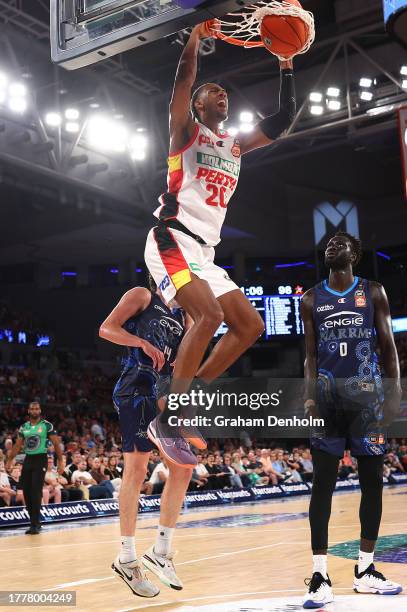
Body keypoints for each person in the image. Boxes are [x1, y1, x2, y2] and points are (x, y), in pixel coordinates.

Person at [144, 20, 296, 464]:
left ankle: (188, 399)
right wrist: (193, 38)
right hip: (170, 237)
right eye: (212, 91)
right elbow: (184, 77)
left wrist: (285, 63)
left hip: (204, 253)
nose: (221, 94)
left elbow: (283, 120)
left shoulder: (233, 146)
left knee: (250, 327)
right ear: (196, 105)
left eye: (224, 92)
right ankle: (167, 416)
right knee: (208, 315)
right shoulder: (184, 133)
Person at [300, 231, 403, 608]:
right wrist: (309, 395)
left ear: (354, 254)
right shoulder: (310, 299)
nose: (332, 246)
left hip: (367, 399)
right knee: (322, 485)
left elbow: (388, 346)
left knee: (372, 483)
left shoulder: (373, 291)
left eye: (340, 243)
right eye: (328, 244)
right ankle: (319, 574)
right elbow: (310, 355)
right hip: (328, 400)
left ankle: (365, 569)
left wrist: (394, 393)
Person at [99, 279, 193, 598]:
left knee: (183, 467)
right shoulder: (142, 295)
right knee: (137, 472)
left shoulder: (183, 315)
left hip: (162, 395)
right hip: (136, 389)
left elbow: (184, 360)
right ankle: (127, 558)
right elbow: (107, 329)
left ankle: (160, 552)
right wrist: (140, 342)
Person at [6, 401, 63, 534]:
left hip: (41, 459)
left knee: (36, 491)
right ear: (28, 411)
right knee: (26, 491)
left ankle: (36, 524)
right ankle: (33, 522)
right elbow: (18, 445)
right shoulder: (24, 427)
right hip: (28, 459)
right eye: (32, 409)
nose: (35, 411)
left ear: (40, 410)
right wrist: (9, 460)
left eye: (37, 408)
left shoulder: (46, 425)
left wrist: (60, 461)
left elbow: (56, 443)